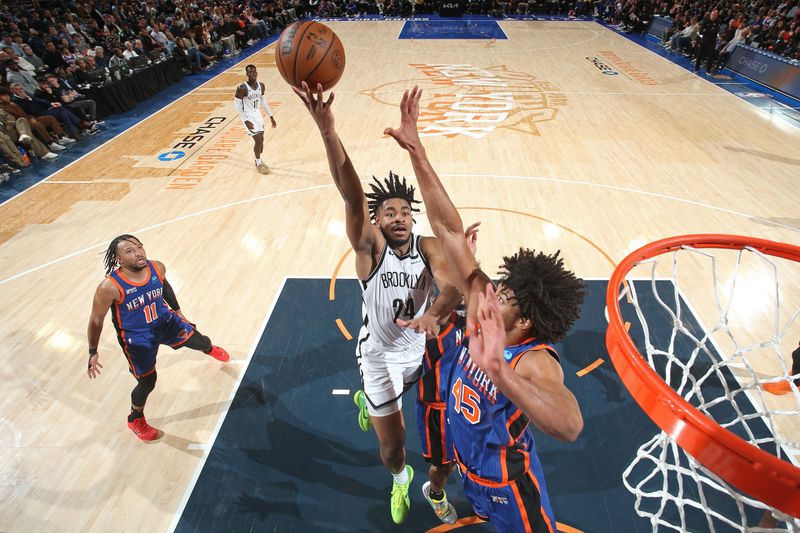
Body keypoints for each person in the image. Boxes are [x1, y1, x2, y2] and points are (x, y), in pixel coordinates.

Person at [385, 86, 586, 532]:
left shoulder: (534, 360)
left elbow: (569, 425)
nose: (497, 292)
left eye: (509, 297)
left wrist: (499, 370)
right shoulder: (482, 303)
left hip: (512, 488)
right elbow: (447, 229)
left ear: (527, 321)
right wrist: (417, 150)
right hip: (471, 478)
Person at [292, 81, 464, 525]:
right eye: (389, 213)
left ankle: (366, 403)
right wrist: (329, 132)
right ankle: (401, 479)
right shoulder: (370, 249)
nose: (399, 217)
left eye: (405, 211)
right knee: (393, 447)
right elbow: (350, 194)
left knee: (420, 411)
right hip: (377, 358)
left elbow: (453, 288)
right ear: (377, 221)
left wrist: (434, 314)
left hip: (415, 352)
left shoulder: (428, 247)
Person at [86, 234, 230, 441]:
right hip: (138, 338)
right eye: (129, 251)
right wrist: (93, 351)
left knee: (201, 341)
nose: (138, 253)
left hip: (166, 322)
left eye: (139, 247)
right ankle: (135, 419)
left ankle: (209, 349)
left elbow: (164, 286)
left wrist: (179, 312)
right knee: (148, 381)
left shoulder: (157, 267)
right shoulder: (109, 287)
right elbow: (96, 320)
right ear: (119, 259)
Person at [234, 64, 277, 175]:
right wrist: (245, 120)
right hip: (248, 116)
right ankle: (258, 163)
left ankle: (258, 158)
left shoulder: (261, 86)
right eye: (249, 72)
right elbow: (237, 105)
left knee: (261, 142)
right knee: (258, 141)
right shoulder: (242, 88)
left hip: (257, 113)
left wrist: (271, 116)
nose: (252, 74)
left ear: (256, 73)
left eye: (254, 72)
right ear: (246, 74)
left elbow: (263, 101)